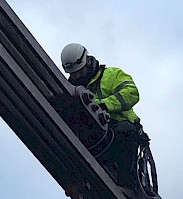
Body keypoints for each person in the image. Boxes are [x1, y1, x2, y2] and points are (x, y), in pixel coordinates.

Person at [61, 43, 142, 189]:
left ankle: (127, 185)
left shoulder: (112, 75)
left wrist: (104, 105)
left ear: (88, 61)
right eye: (74, 74)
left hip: (119, 129)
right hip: (95, 137)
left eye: (80, 72)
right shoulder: (70, 91)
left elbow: (131, 93)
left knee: (126, 132)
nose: (78, 76)